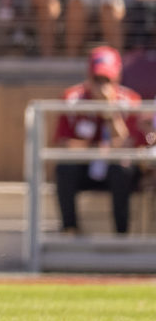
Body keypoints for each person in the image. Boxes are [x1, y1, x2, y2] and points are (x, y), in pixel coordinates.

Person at [53, 46, 146, 235]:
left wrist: (109, 111)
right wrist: (97, 148)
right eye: (98, 79)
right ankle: (70, 229)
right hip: (86, 168)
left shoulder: (130, 99)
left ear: (117, 77)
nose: (102, 86)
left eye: (107, 80)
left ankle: (121, 236)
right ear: (89, 76)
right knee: (64, 167)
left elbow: (128, 144)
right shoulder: (72, 98)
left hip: (116, 171)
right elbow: (63, 143)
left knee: (122, 168)